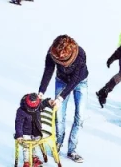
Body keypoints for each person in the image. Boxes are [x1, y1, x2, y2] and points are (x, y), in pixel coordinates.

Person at [38, 35, 88, 163]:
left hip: (80, 82)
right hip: (61, 81)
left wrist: (61, 97)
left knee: (79, 117)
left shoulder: (80, 54)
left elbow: (75, 79)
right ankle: (58, 144)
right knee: (59, 116)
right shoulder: (52, 53)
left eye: (62, 59)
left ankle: (72, 150)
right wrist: (41, 92)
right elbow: (48, 71)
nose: (59, 60)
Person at [14, 93, 53, 166]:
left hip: (36, 131)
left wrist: (48, 102)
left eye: (35, 108)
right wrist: (19, 134)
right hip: (25, 132)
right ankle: (26, 162)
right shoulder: (21, 111)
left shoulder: (38, 105)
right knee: (27, 146)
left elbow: (43, 103)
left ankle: (33, 157)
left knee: (34, 143)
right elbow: (18, 123)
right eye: (31, 109)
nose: (33, 110)